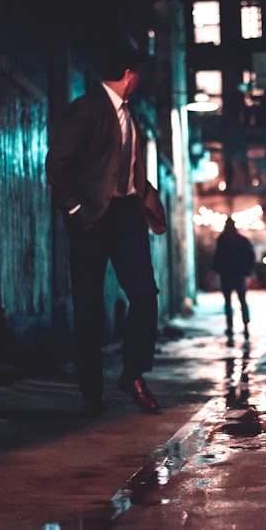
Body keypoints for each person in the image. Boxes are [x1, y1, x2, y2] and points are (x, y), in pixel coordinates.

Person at [45, 45, 167, 416]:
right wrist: (76, 209)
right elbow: (57, 164)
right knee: (89, 307)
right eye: (140, 74)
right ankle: (91, 393)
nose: (141, 80)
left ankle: (132, 373)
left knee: (145, 293)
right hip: (90, 218)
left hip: (127, 213)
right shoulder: (87, 109)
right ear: (130, 73)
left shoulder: (132, 117)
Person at [212, 218, 255, 337]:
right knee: (242, 300)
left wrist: (217, 270)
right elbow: (250, 256)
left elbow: (217, 256)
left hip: (226, 274)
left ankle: (230, 326)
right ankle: (245, 325)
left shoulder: (222, 240)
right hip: (239, 274)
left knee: (227, 302)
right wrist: (247, 270)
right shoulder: (242, 240)